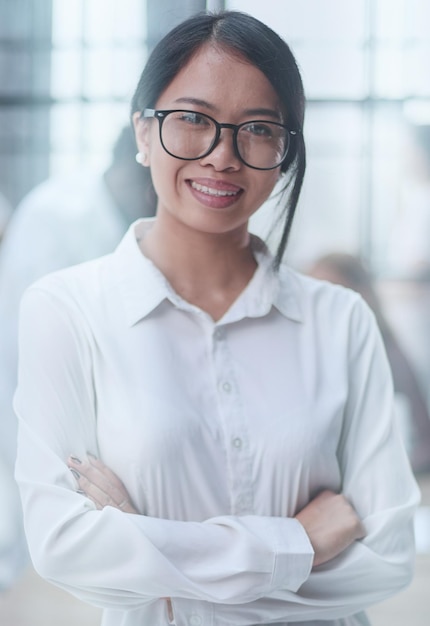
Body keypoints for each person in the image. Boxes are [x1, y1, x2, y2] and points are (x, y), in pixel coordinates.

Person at [14, 10, 419, 626]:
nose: (222, 156)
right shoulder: (66, 311)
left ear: (284, 154)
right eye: (193, 120)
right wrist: (298, 545)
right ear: (144, 134)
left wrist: (154, 557)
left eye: (257, 129)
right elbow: (65, 547)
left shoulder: (341, 321)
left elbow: (386, 556)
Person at [0, 125, 155, 590]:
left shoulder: (126, 220)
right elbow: (26, 357)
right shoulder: (55, 217)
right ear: (133, 168)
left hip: (101, 450)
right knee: (35, 565)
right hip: (35, 421)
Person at [307, 251, 430, 474]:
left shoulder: (383, 356)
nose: (318, 308)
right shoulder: (314, 354)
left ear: (360, 296)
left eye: (328, 294)